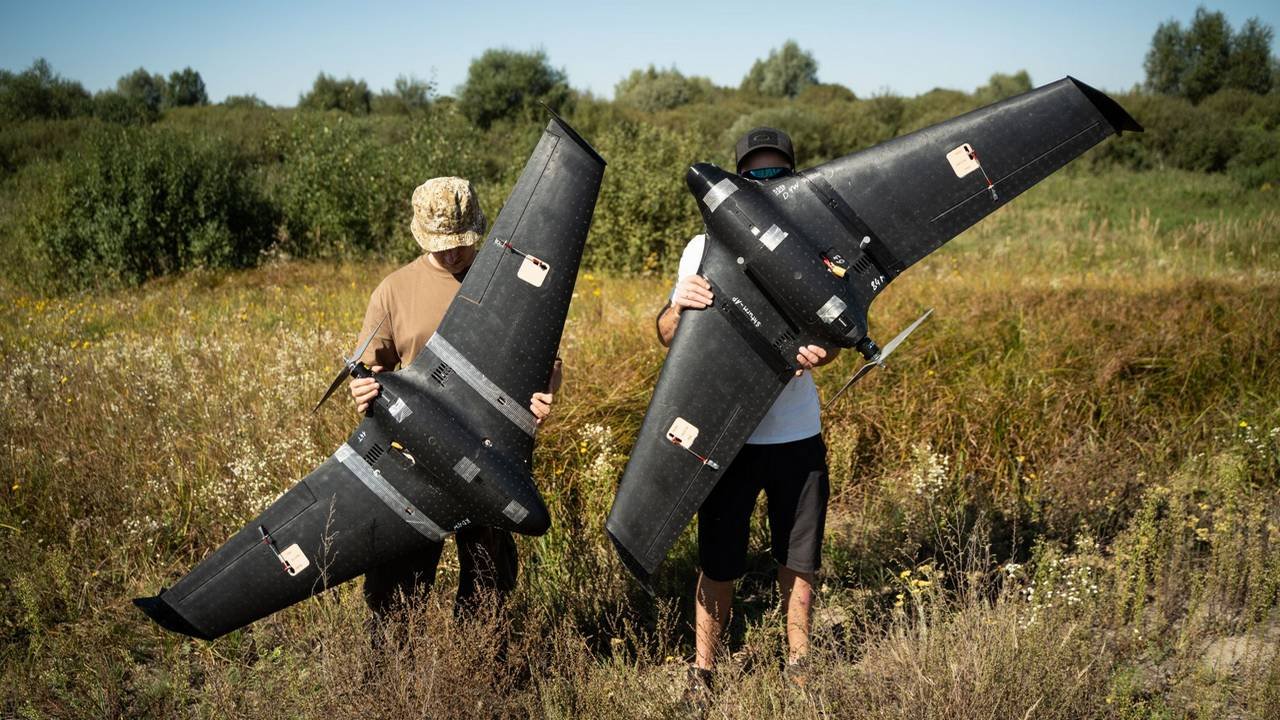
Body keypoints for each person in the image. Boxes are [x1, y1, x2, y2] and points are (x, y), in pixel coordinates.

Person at [655, 128, 838, 686]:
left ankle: (800, 666)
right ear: (738, 182)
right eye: (753, 175)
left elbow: (834, 335)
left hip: (796, 434)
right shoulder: (701, 246)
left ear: (793, 176)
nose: (766, 183)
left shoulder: (819, 246)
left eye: (776, 173)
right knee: (718, 559)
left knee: (798, 558)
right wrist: (678, 307)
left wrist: (820, 352)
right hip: (727, 434)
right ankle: (704, 670)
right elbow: (665, 334)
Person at [348, 177, 559, 630]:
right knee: (396, 591)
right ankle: (392, 685)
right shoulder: (393, 291)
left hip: (488, 451)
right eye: (441, 245)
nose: (451, 254)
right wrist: (363, 390)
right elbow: (372, 370)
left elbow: (546, 361)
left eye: (460, 243)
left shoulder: (505, 284)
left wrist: (546, 391)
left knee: (488, 581)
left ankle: (482, 675)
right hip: (414, 461)